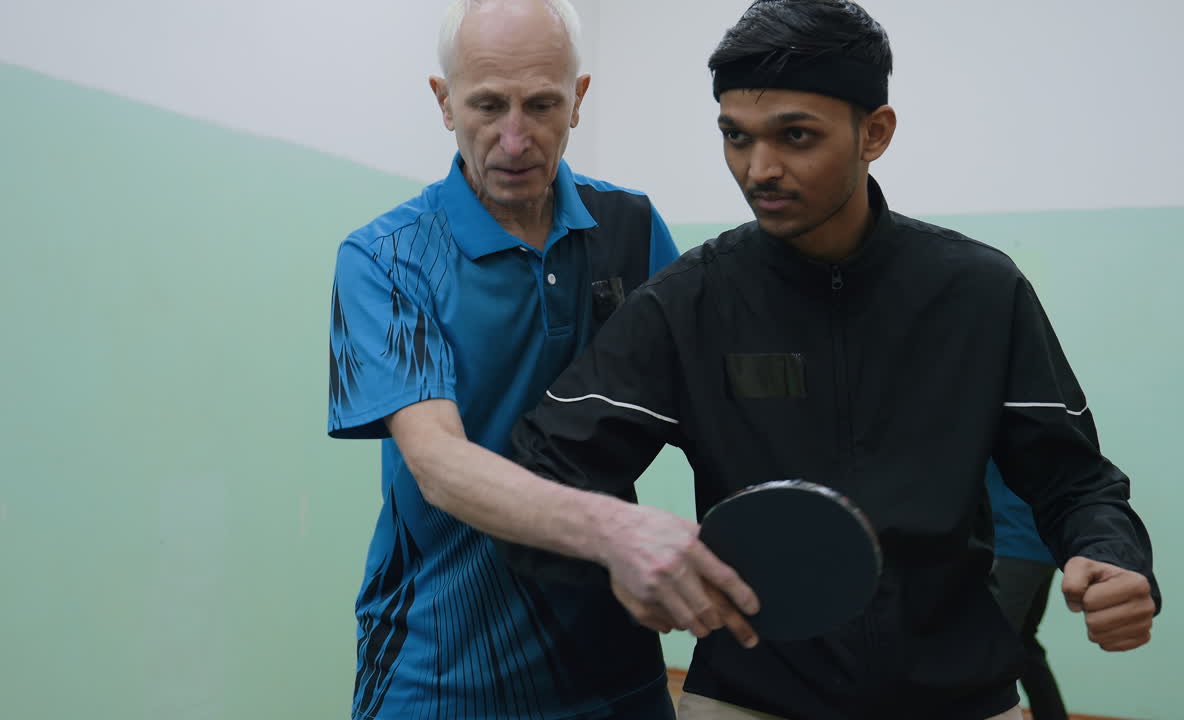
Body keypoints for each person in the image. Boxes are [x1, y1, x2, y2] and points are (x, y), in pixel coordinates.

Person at [506, 1, 1161, 718]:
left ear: (873, 132)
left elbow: (1073, 479)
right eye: (735, 137)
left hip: (960, 697)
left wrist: (1111, 554)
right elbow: (549, 464)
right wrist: (618, 549)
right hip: (747, 696)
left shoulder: (980, 292)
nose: (759, 169)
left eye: (795, 136)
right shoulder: (691, 301)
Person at [326, 0, 687, 717]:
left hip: (616, 670)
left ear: (578, 101)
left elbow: (706, 408)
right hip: (436, 671)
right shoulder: (384, 258)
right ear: (444, 102)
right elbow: (441, 467)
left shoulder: (632, 229)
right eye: (488, 105)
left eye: (542, 105)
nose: (515, 138)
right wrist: (617, 532)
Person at [987, 461, 1069, 720]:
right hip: (1038, 546)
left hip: (1015, 545)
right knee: (1023, 642)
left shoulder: (981, 424)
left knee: (989, 648)